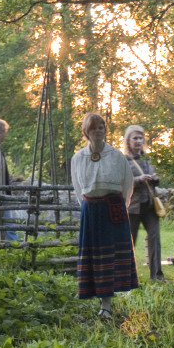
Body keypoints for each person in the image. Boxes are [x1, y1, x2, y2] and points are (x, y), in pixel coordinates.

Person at [70, 112, 138, 319]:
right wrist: (90, 206)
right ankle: (101, 301)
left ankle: (107, 305)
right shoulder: (78, 158)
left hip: (113, 210)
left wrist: (119, 205)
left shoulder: (116, 155)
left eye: (101, 127)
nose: (98, 131)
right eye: (94, 128)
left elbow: (127, 184)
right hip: (91, 211)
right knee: (96, 257)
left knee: (111, 257)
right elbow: (77, 187)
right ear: (86, 132)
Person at [123, 125, 165, 282]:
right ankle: (126, 275)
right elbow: (123, 182)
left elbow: (155, 177)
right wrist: (139, 180)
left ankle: (157, 275)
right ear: (128, 140)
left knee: (155, 239)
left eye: (141, 138)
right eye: (135, 138)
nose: (138, 141)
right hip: (132, 206)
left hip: (150, 205)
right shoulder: (124, 160)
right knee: (130, 240)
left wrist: (155, 179)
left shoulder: (149, 158)